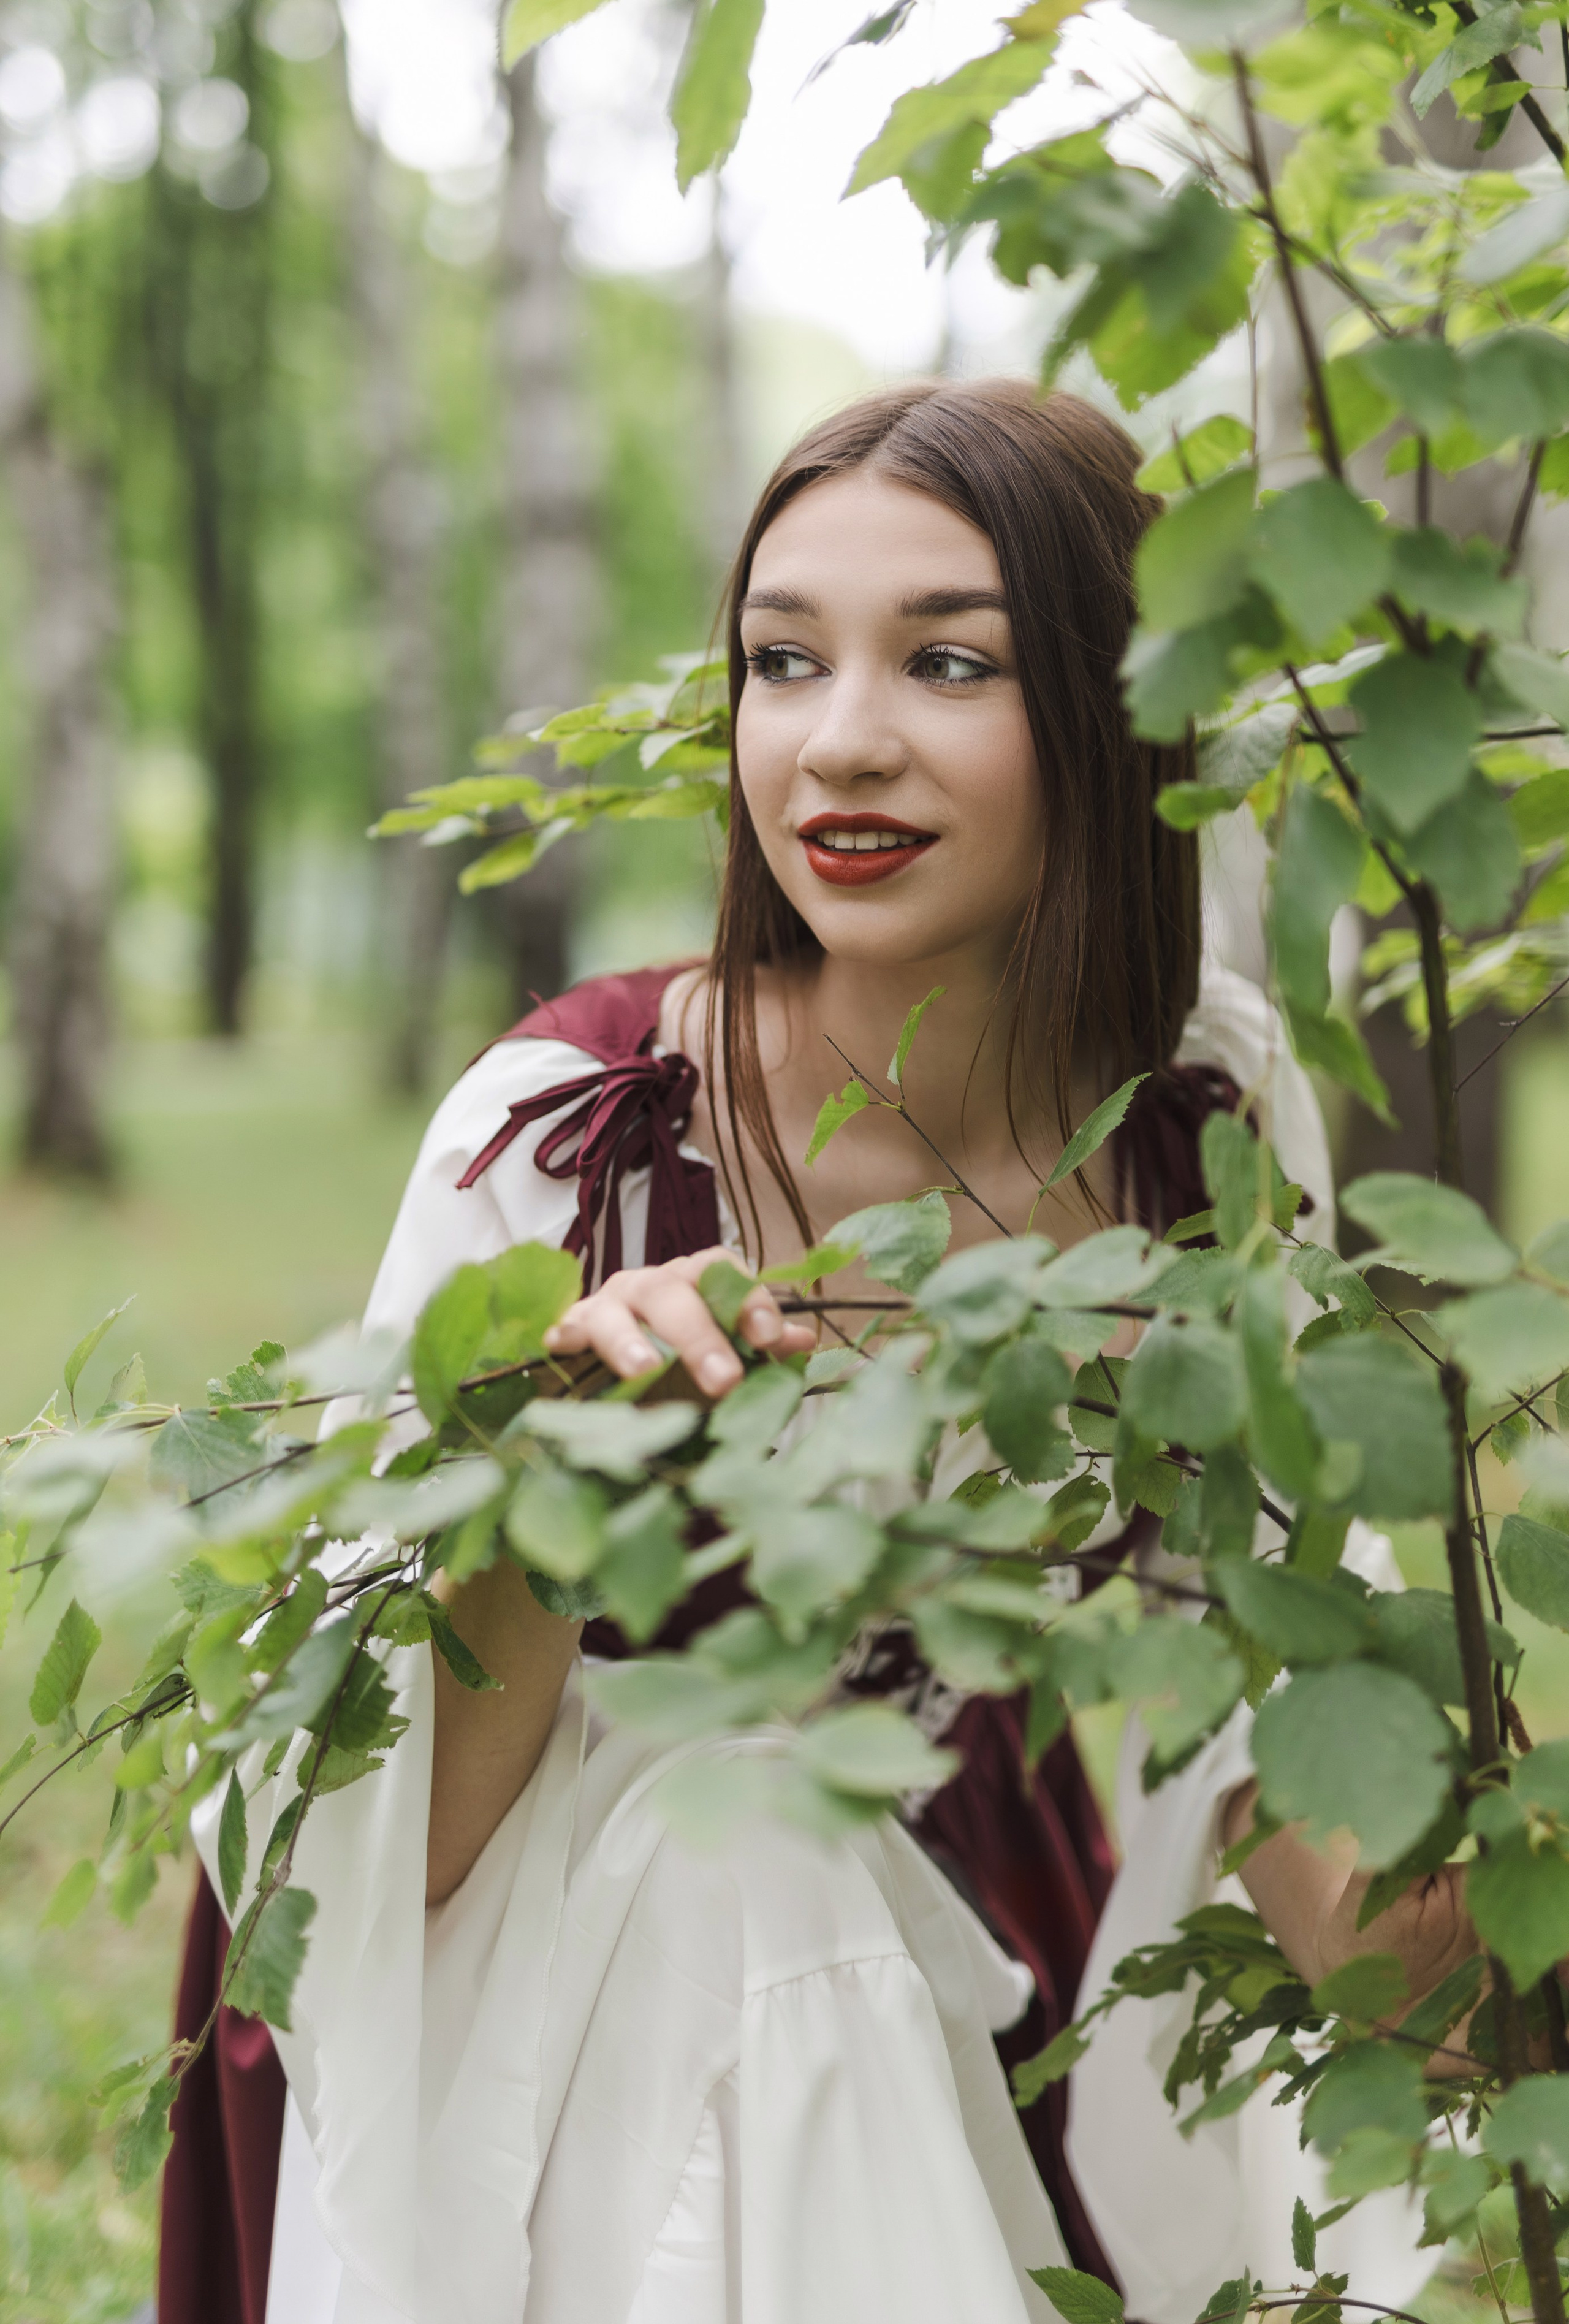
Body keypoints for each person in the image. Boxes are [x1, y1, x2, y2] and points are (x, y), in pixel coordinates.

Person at [158, 380, 1461, 2324]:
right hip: (487, 1956)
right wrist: (542, 1491)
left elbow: (1296, 1757)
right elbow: (370, 1850)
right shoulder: (567, 1138)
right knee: (742, 1863)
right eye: (783, 660)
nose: (840, 741)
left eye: (952, 661)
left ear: (1122, 711)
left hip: (959, 1890)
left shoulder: (1198, 1122)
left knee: (809, 1897)